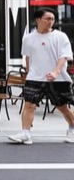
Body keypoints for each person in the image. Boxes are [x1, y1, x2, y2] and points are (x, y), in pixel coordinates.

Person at [8, 8, 74, 145]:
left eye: (52, 19)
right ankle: (25, 133)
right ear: (38, 20)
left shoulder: (60, 36)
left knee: (61, 106)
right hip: (35, 77)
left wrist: (56, 72)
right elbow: (28, 57)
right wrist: (28, 73)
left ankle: (72, 127)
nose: (51, 22)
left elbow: (64, 57)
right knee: (29, 105)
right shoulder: (28, 38)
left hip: (57, 78)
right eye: (47, 19)